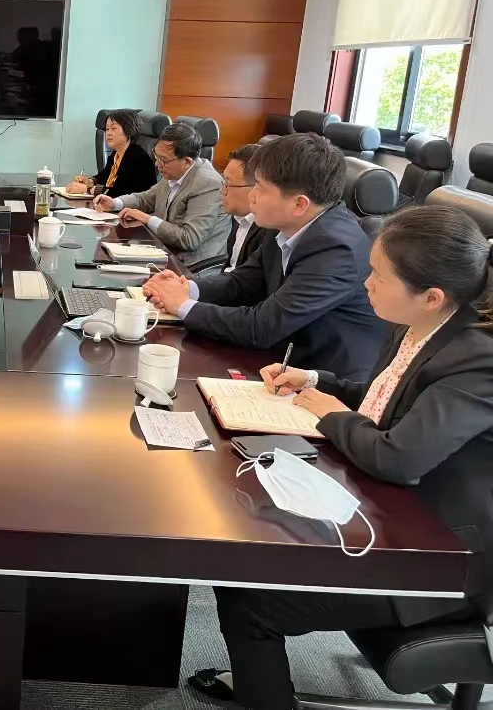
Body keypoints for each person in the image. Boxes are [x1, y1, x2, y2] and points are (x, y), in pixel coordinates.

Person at [189, 205, 493, 710]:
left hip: (445, 561)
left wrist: (331, 415)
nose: (365, 283)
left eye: (378, 276)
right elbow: (385, 401)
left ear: (432, 296)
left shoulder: (477, 358)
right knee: (247, 540)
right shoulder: (420, 323)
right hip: (393, 515)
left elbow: (399, 457)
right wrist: (316, 382)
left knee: (250, 600)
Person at [143, 133, 387, 378]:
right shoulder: (286, 224)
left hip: (324, 379)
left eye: (260, 188)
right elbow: (243, 281)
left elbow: (262, 327)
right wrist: (187, 288)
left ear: (299, 204)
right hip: (279, 362)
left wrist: (183, 305)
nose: (252, 196)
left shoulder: (335, 249)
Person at [91, 122, 229, 266]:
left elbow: (189, 239)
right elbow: (145, 198)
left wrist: (147, 219)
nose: (157, 164)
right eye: (156, 157)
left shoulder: (207, 183)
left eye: (163, 160)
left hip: (189, 267)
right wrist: (115, 203)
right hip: (163, 253)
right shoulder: (174, 171)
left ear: (187, 161)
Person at [67, 109, 156, 198]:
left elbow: (118, 192)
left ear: (129, 130)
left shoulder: (138, 158)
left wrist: (87, 189)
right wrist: (91, 181)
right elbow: (104, 175)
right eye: (107, 129)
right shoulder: (117, 154)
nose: (108, 133)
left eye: (113, 128)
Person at [219, 144, 272, 273]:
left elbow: (247, 281)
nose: (222, 190)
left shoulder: (270, 233)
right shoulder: (239, 217)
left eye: (228, 183)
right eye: (223, 182)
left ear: (255, 188)